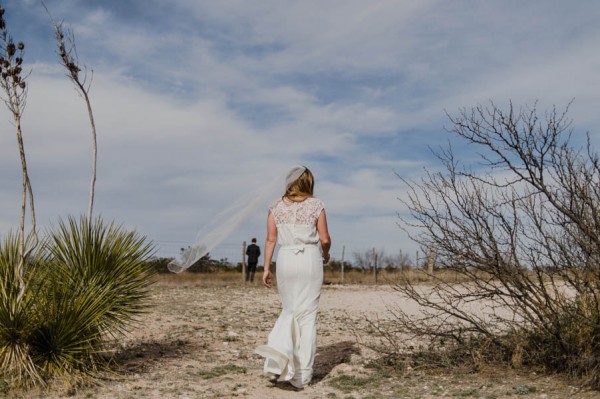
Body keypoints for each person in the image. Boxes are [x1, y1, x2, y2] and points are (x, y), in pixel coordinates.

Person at [254, 165, 331, 390]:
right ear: (309, 183)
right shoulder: (317, 205)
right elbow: (324, 239)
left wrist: (266, 268)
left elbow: (270, 240)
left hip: (286, 258)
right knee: (307, 316)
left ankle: (278, 362)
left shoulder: (275, 207)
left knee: (289, 310)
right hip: (309, 258)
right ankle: (301, 376)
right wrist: (325, 253)